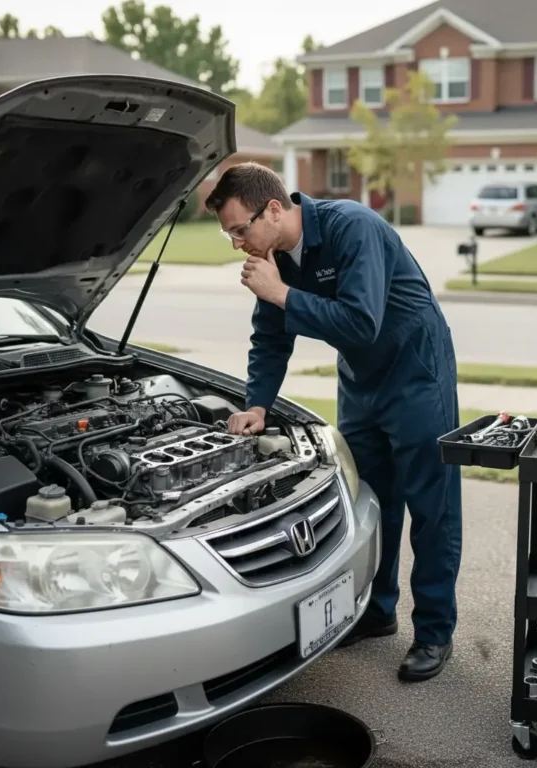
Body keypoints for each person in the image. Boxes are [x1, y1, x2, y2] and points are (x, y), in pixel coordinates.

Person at [204, 163, 462, 682]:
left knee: (430, 508)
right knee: (371, 500)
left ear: (273, 209)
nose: (237, 243)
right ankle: (378, 611)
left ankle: (434, 633)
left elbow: (361, 322)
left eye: (239, 229)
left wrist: (281, 293)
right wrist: (257, 404)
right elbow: (271, 337)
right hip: (362, 384)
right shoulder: (274, 257)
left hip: (416, 373)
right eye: (229, 234)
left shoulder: (353, 227)